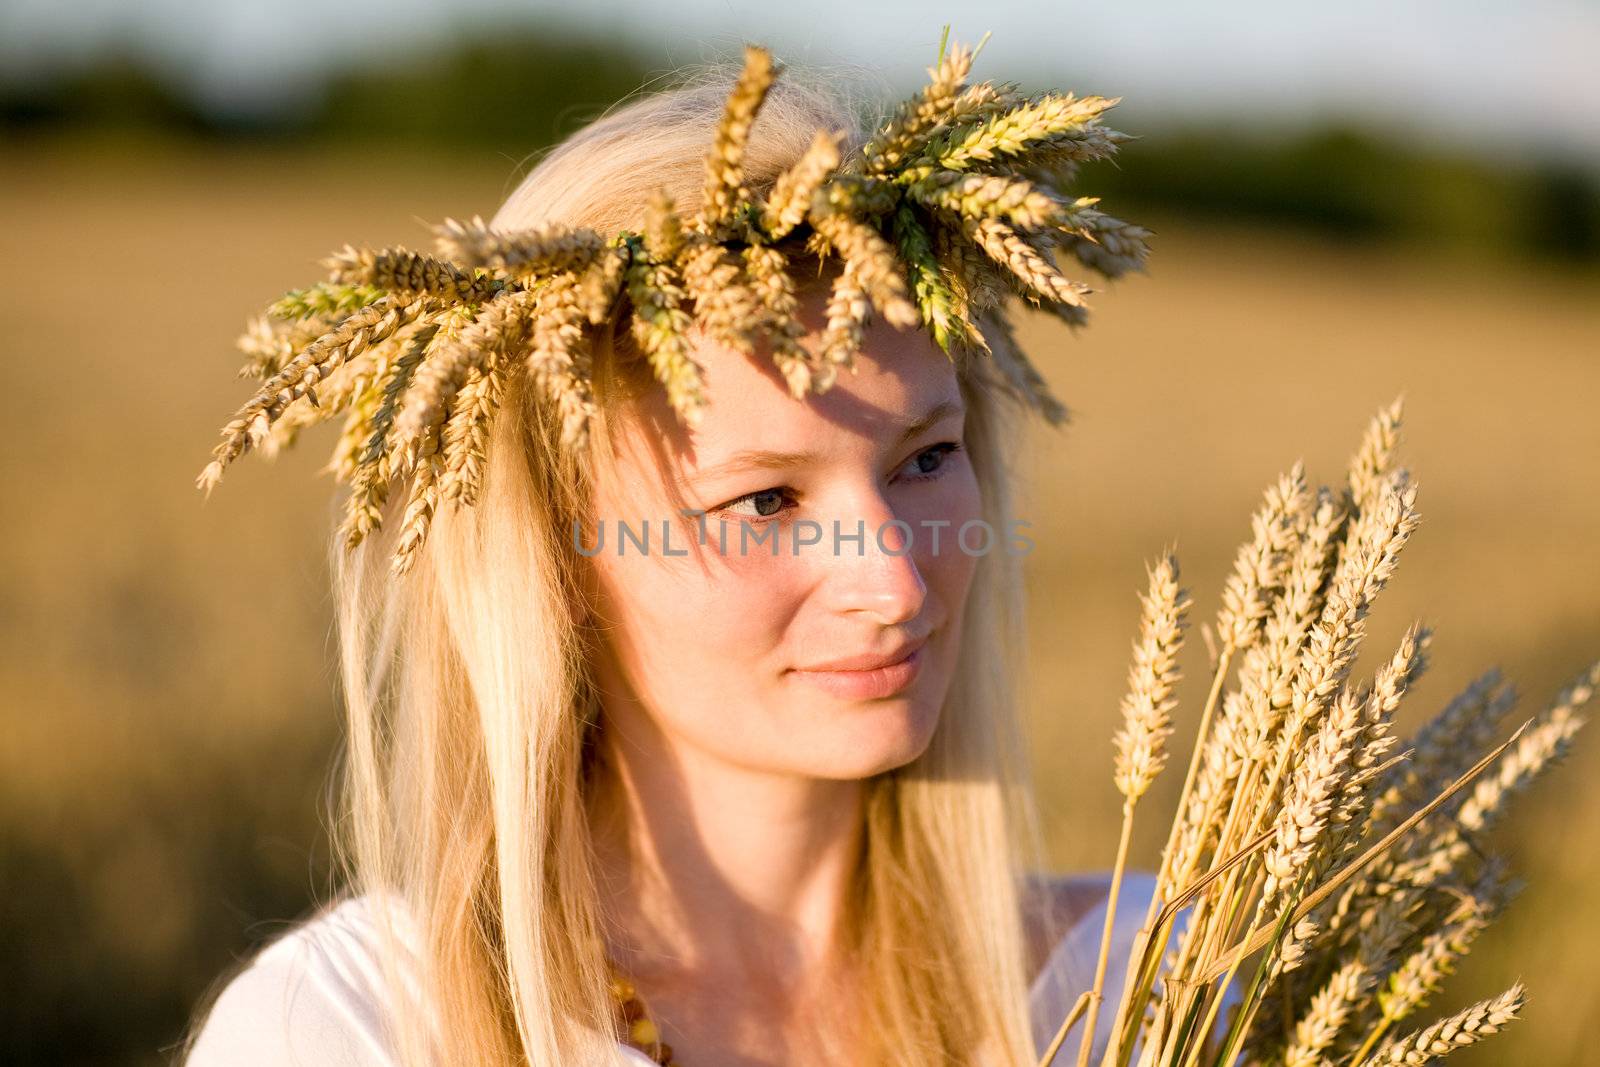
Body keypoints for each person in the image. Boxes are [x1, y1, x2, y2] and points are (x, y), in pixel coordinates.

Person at [182, 40, 1156, 1067]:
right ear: (554, 562)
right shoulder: (350, 1032)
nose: (894, 580)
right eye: (764, 498)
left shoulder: (1150, 985)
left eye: (925, 459)